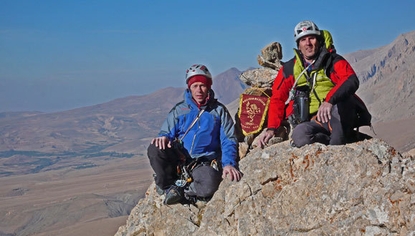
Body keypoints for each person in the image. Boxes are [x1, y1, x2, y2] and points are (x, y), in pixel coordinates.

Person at [258, 20, 371, 148]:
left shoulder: (332, 60)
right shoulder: (291, 68)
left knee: (338, 119)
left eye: (311, 38)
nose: (308, 43)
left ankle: (336, 145)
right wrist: (272, 128)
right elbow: (278, 98)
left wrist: (330, 101)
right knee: (299, 136)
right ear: (298, 45)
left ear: (318, 40)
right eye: (303, 40)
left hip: (338, 112)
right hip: (315, 120)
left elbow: (351, 80)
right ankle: (335, 139)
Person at [148, 64, 242, 205]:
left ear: (208, 87)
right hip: (178, 158)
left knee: (210, 183)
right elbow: (166, 133)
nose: (199, 90)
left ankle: (182, 191)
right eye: (195, 86)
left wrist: (229, 163)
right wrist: (164, 137)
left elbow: (228, 139)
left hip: (201, 163)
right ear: (189, 88)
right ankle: (167, 186)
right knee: (155, 148)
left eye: (202, 86)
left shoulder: (218, 111)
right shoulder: (179, 110)